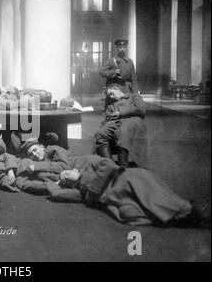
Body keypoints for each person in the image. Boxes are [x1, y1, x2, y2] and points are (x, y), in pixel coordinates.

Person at [45, 156, 211, 228]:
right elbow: (55, 194)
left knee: (154, 198)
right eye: (65, 180)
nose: (67, 177)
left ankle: (192, 210)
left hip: (126, 179)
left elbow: (109, 165)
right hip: (117, 197)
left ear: (74, 170)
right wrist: (54, 182)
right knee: (130, 214)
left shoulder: (90, 165)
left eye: (66, 173)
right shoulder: (79, 191)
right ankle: (183, 217)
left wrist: (93, 191)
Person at [94, 84, 147, 167]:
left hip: (132, 120)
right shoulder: (112, 103)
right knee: (100, 133)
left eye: (112, 93)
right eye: (109, 95)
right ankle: (110, 166)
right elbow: (107, 116)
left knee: (122, 132)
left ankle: (123, 166)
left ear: (118, 90)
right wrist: (110, 116)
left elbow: (141, 109)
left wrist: (120, 112)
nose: (111, 97)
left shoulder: (134, 96)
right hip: (115, 122)